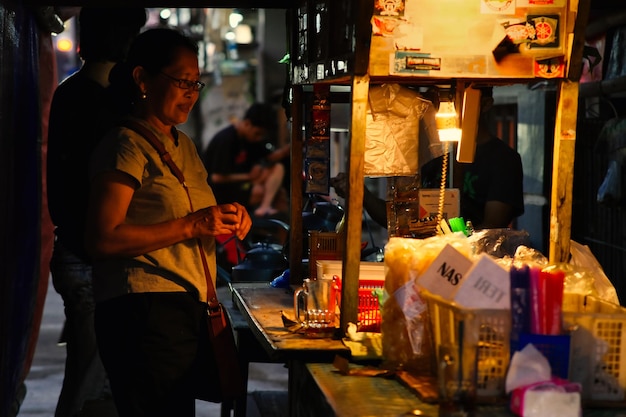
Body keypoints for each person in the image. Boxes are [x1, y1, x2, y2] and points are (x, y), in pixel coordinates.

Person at [84, 28, 252, 416]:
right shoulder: (124, 144)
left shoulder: (184, 145)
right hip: (143, 314)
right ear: (142, 78)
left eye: (196, 82)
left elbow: (191, 218)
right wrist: (192, 225)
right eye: (181, 81)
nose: (192, 92)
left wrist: (226, 220)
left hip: (184, 312)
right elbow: (102, 239)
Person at [46, 7, 146, 416]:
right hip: (91, 258)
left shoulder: (71, 93)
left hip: (76, 253)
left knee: (95, 379)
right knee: (89, 382)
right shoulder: (108, 104)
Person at [332, 87, 524, 231]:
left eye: (457, 101)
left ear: (485, 104)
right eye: (439, 101)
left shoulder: (503, 160)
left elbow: (492, 227)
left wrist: (450, 241)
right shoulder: (429, 152)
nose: (447, 109)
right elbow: (399, 220)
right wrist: (360, 192)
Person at [202, 102, 290, 218]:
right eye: (257, 133)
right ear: (247, 123)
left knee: (278, 174)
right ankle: (263, 212)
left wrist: (293, 146)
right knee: (265, 192)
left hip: (245, 184)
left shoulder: (251, 139)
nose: (259, 138)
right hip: (221, 192)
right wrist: (249, 176)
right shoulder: (226, 139)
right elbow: (216, 177)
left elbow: (271, 157)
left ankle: (281, 228)